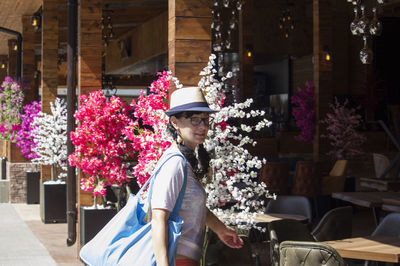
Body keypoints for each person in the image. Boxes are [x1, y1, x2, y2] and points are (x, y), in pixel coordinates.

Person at [150, 86, 244, 266]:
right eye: (194, 120)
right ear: (175, 122)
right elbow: (158, 218)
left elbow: (191, 206)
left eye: (205, 120)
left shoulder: (186, 160)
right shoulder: (174, 164)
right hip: (176, 258)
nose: (202, 127)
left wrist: (220, 229)